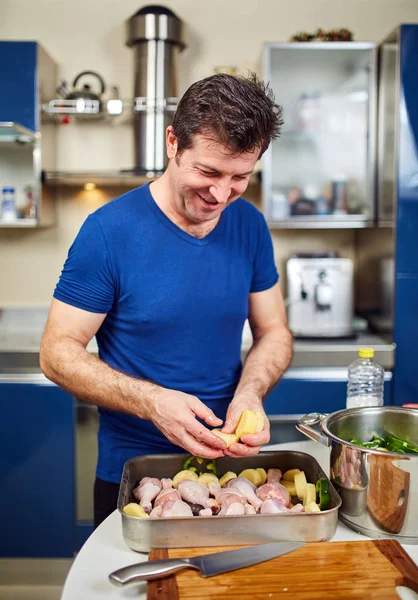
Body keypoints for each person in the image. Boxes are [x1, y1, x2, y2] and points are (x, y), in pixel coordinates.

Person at [40, 72, 293, 528]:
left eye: (241, 177)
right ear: (172, 142)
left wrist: (251, 393)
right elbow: (57, 353)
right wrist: (152, 401)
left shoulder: (250, 224)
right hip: (137, 471)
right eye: (209, 172)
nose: (221, 195)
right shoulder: (108, 232)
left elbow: (273, 330)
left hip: (231, 471)